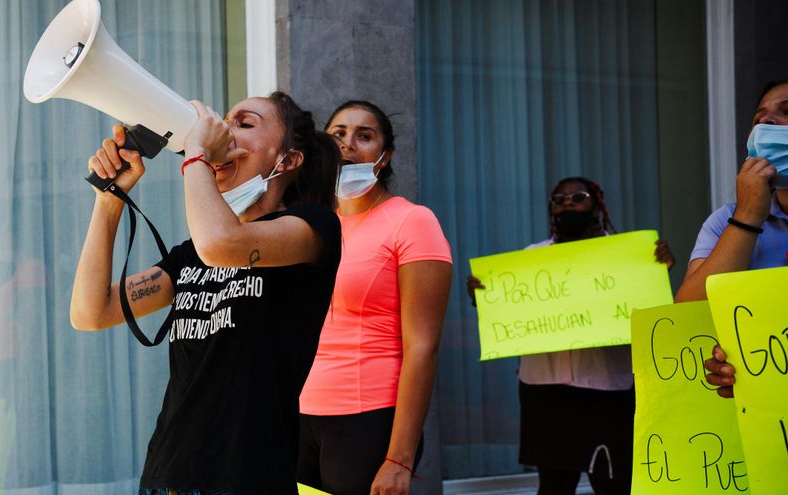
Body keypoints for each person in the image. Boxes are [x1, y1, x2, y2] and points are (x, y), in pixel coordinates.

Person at [70, 92, 342, 494]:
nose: (224, 132)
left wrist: (196, 150)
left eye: (244, 124)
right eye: (224, 121)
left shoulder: (313, 227)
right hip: (167, 474)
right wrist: (109, 200)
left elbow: (221, 244)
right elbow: (92, 312)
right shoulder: (192, 254)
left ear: (289, 159)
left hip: (245, 476)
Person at [467, 177, 674, 495]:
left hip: (609, 389)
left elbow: (648, 309)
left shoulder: (627, 256)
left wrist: (655, 270)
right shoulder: (530, 259)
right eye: (559, 199)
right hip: (546, 390)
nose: (568, 204)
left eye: (578, 197)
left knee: (614, 483)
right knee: (554, 485)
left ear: (597, 204)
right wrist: (485, 294)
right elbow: (513, 314)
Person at [296, 101, 452, 495]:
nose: (348, 144)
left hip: (367, 418)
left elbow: (423, 346)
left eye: (364, 136)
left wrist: (399, 458)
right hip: (298, 413)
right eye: (339, 134)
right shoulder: (310, 223)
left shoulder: (412, 221)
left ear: (385, 157)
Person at [677, 80, 788, 397]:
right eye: (758, 119)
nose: (765, 122)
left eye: (786, 111)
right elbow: (689, 314)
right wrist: (748, 217)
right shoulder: (724, 221)